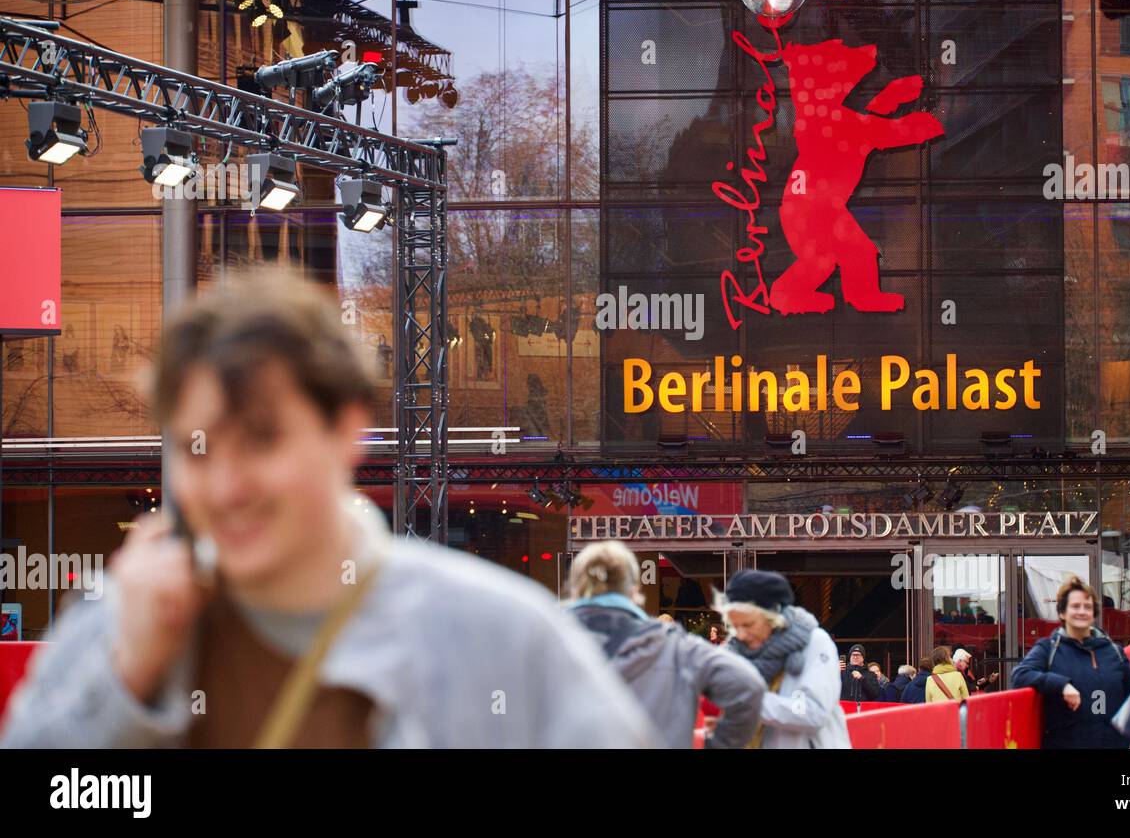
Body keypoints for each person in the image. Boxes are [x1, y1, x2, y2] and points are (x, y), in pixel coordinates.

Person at [0, 271, 656, 749]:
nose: (226, 487)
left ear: (346, 428)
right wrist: (125, 681)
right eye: (196, 450)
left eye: (262, 439)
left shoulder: (503, 638)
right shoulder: (115, 627)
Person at [565, 542, 764, 749]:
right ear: (634, 591)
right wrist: (717, 744)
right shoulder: (678, 647)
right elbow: (749, 687)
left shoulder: (546, 640)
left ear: (574, 588)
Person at [714, 569, 850, 748]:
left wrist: (749, 702)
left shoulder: (815, 643)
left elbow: (813, 710)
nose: (740, 635)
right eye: (735, 626)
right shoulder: (736, 652)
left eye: (748, 625)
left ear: (774, 617)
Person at [1010, 575, 1130, 748]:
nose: (1082, 611)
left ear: (1094, 613)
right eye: (1075, 606)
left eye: (1087, 607)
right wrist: (1061, 684)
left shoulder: (1114, 652)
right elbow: (1020, 675)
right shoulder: (1048, 649)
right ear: (1062, 612)